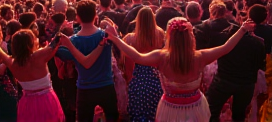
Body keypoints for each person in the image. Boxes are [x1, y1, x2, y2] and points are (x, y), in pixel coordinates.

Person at [104, 16, 255, 122]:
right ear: (190, 36)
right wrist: (242, 30)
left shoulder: (161, 57)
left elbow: (136, 57)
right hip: (196, 108)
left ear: (169, 37)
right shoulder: (200, 57)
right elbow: (226, 48)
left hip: (170, 109)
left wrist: (116, 38)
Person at [0, 28, 104, 122]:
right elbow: (54, 45)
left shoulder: (12, 63)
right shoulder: (38, 56)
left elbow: (1, 53)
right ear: (30, 43)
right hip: (46, 100)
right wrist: (58, 34)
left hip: (26, 103)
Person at [56, 0, 119, 122]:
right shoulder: (105, 35)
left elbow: (60, 54)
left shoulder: (73, 41)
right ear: (96, 16)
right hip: (106, 85)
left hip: (85, 88)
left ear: (78, 18)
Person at [122, 7, 164, 121]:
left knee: (138, 115)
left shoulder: (130, 39)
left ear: (138, 20)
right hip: (157, 80)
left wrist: (129, 83)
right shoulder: (160, 35)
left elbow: (128, 67)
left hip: (138, 81)